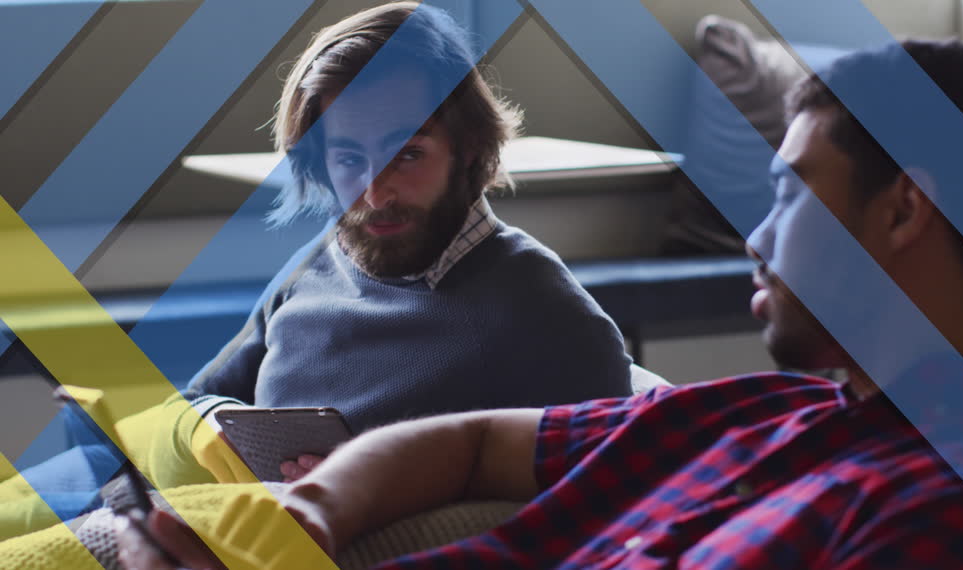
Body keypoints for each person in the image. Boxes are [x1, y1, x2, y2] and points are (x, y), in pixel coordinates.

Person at [108, 38, 963, 569]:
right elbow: (475, 443)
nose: (757, 236)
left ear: (903, 210)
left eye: (791, 195)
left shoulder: (961, 519)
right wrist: (308, 515)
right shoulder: (753, 413)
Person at [0, 0, 632, 538]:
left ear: (467, 149)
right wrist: (219, 429)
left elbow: (614, 497)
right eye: (348, 158)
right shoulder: (323, 262)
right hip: (179, 499)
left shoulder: (540, 309)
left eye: (408, 154)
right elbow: (195, 403)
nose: (375, 194)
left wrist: (363, 486)